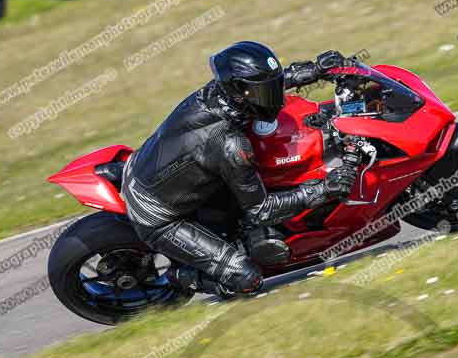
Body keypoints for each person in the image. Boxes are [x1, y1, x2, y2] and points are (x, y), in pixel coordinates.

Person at [120, 41, 357, 297]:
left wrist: (313, 70)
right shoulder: (229, 144)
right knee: (247, 279)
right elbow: (262, 210)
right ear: (238, 91)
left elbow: (259, 86)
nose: (274, 98)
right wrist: (323, 190)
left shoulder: (218, 92)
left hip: (155, 170)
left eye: (273, 87)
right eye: (267, 92)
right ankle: (177, 278)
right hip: (159, 216)